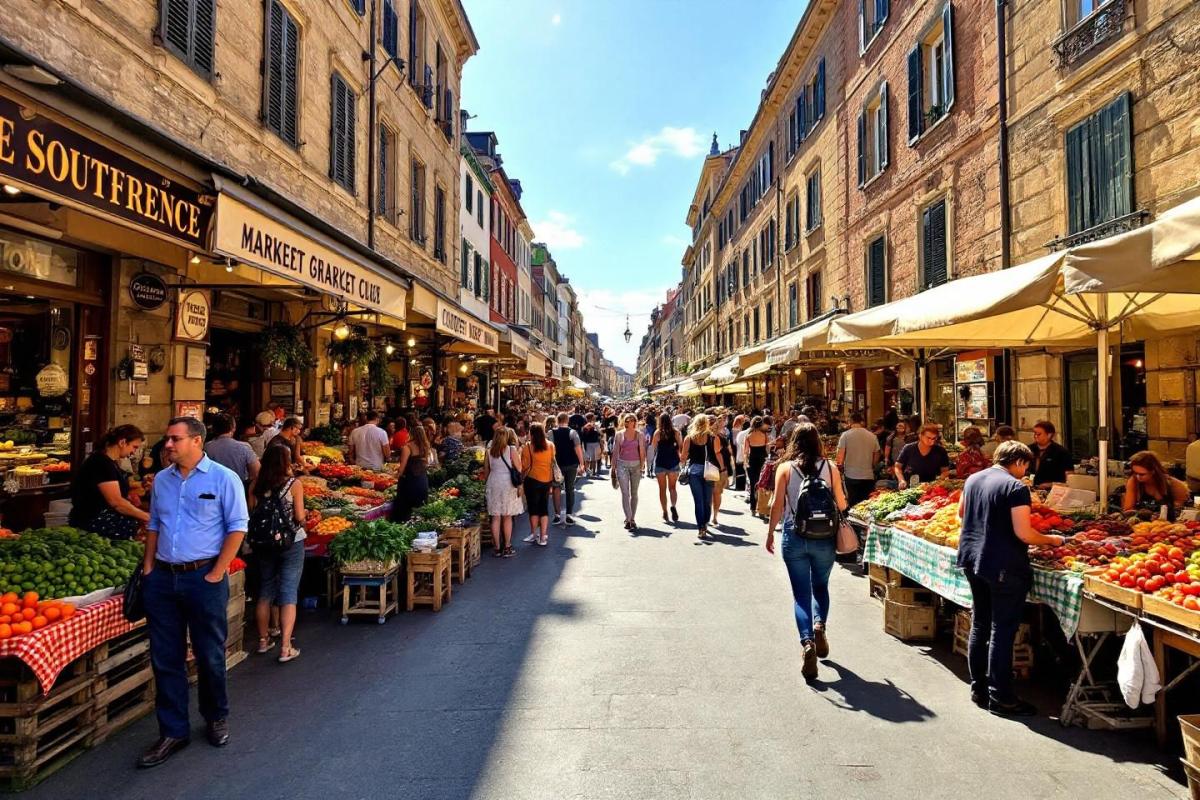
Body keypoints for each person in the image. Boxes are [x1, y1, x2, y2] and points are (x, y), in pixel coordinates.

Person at [138, 417, 248, 768]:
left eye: (174, 439)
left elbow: (237, 527)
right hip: (164, 579)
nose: (167, 445)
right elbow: (154, 523)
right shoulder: (162, 482)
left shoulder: (223, 479)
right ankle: (173, 730)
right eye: (167, 439)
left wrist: (217, 571)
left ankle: (215, 717)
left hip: (203, 577)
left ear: (197, 441)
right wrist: (149, 567)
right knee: (165, 657)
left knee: (209, 654)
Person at [956, 441, 1067, 715]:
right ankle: (1001, 696)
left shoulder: (973, 478)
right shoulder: (1016, 487)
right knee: (1002, 629)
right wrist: (1052, 540)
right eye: (1026, 465)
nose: (1025, 471)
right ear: (1018, 462)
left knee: (980, 622)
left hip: (973, 558)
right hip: (1003, 565)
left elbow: (961, 513)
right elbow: (1024, 533)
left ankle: (978, 687)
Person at [765, 423, 849, 681]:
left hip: (794, 535)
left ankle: (807, 643)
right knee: (820, 586)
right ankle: (819, 624)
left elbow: (777, 506)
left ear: (794, 442)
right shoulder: (831, 468)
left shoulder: (784, 469)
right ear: (818, 442)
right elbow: (843, 503)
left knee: (801, 595)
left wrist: (770, 533)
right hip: (824, 537)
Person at [248, 446, 305, 663]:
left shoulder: (255, 485)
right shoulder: (294, 484)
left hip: (263, 544)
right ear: (286, 461)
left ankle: (263, 641)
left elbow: (251, 513)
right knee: (288, 591)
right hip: (291, 542)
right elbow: (299, 516)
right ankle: (286, 646)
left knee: (265, 589)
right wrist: (303, 517)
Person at [70, 424, 150, 539]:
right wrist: (147, 517)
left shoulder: (108, 462)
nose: (133, 452)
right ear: (122, 442)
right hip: (94, 525)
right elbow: (116, 502)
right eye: (134, 447)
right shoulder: (101, 463)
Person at [680, 414, 724, 539]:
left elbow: (683, 457)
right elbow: (717, 453)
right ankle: (705, 522)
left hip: (694, 470)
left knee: (698, 501)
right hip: (709, 470)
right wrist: (722, 468)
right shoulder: (712, 438)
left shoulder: (689, 438)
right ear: (706, 423)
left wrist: (683, 463)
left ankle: (701, 528)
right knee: (707, 499)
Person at [483, 428, 523, 557]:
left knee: (495, 516)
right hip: (507, 483)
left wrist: (487, 484)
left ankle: (497, 548)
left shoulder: (488, 451)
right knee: (507, 515)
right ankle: (507, 546)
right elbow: (519, 467)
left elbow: (486, 470)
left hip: (493, 481)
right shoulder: (511, 450)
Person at [1122, 450, 1190, 520]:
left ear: (1153, 471)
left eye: (1142, 474)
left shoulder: (1174, 485)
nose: (1138, 477)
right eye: (1135, 473)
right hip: (1142, 523)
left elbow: (1179, 512)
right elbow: (1128, 509)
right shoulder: (1134, 481)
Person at [521, 423, 556, 547]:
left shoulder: (528, 447)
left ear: (531, 433)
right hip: (547, 479)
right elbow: (552, 461)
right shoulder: (550, 446)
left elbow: (524, 466)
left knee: (533, 508)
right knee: (544, 508)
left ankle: (533, 534)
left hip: (532, 479)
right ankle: (543, 536)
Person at [390, 420, 432, 522]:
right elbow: (427, 463)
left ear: (411, 433)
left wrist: (393, 476)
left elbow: (402, 468)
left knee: (405, 511)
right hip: (422, 480)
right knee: (420, 510)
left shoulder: (407, 447)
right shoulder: (426, 446)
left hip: (409, 482)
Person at [836, 411, 880, 508]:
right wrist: (871, 466)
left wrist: (840, 467)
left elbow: (840, 456)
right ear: (862, 422)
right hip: (868, 475)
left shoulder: (845, 435)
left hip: (851, 475)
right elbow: (876, 455)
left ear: (850, 421)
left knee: (853, 503)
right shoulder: (872, 436)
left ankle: (853, 522)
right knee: (866, 504)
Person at [204, 414, 260, 487]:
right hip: (239, 488)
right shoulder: (244, 447)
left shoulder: (207, 447)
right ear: (233, 428)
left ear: (213, 428)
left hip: (214, 489)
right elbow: (256, 472)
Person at [613, 413, 646, 531]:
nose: (629, 422)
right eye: (627, 420)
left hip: (636, 465)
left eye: (631, 420)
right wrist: (613, 468)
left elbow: (642, 451)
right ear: (624, 422)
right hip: (622, 465)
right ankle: (628, 518)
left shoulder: (640, 435)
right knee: (625, 493)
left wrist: (642, 466)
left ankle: (632, 518)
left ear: (635, 422)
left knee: (634, 493)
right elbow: (616, 451)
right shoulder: (619, 434)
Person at [893, 424, 952, 489]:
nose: (931, 441)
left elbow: (945, 471)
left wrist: (939, 480)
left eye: (934, 438)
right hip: (910, 488)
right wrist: (901, 480)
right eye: (928, 438)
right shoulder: (908, 448)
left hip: (932, 489)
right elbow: (897, 467)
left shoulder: (940, 451)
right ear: (920, 436)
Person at [552, 412, 585, 526]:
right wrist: (582, 463)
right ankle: (569, 515)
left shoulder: (551, 433)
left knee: (556, 489)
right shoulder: (573, 432)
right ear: (567, 420)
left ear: (557, 420)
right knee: (569, 488)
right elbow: (578, 449)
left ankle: (556, 515)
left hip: (556, 465)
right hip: (571, 464)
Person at [651, 411, 681, 524]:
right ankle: (673, 506)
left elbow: (653, 446)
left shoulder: (657, 433)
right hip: (673, 462)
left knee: (662, 489)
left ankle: (664, 511)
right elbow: (680, 446)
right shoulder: (676, 432)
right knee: (672, 488)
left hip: (660, 462)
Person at [1030, 420, 1074, 489]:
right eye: (1034, 433)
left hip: (1052, 492)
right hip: (1030, 490)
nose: (1035, 436)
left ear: (1049, 435)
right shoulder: (1028, 449)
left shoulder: (1062, 452)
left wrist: (1050, 485)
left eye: (1038, 434)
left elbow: (1069, 479)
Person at [709, 411, 733, 528]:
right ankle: (714, 517)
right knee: (717, 493)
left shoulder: (707, 436)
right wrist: (724, 468)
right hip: (718, 467)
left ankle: (710, 517)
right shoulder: (720, 437)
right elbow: (724, 452)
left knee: (710, 493)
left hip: (710, 467)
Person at [745, 417, 770, 514]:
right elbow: (768, 448)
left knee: (752, 483)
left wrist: (745, 462)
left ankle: (753, 507)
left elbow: (746, 452)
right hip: (762, 460)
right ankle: (762, 507)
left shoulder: (749, 436)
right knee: (763, 483)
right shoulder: (764, 435)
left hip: (752, 460)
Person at [643, 411, 658, 479]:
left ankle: (647, 471)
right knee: (651, 459)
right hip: (651, 444)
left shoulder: (644, 427)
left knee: (646, 458)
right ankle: (650, 471)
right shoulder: (655, 428)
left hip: (644, 444)